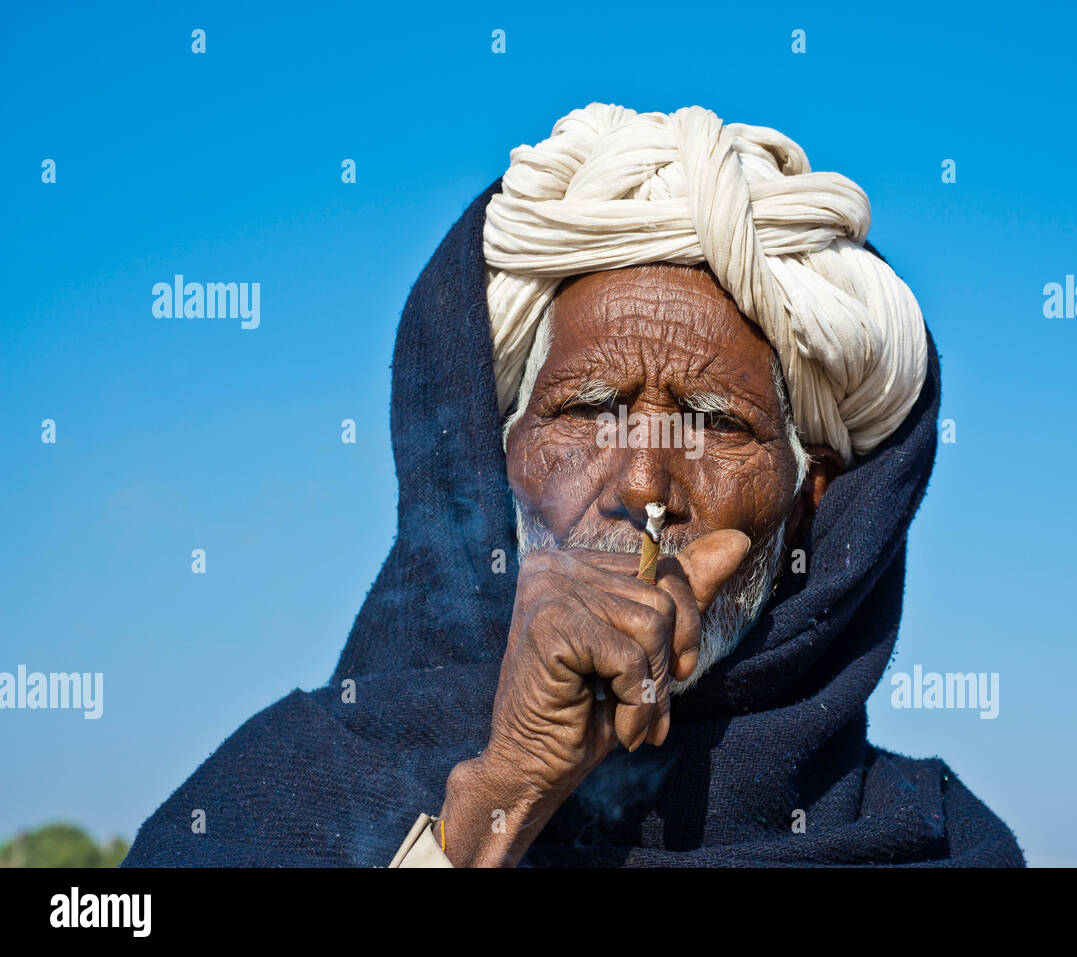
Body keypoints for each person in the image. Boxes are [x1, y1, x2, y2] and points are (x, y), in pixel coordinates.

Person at [123, 103, 1024, 868]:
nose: (644, 482)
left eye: (715, 425)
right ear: (495, 457)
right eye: (589, 411)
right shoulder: (291, 793)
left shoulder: (929, 837)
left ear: (810, 501)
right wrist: (504, 790)